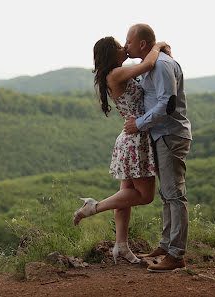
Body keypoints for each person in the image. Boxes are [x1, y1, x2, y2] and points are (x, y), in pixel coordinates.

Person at [73, 36, 170, 264]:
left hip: (132, 137)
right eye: (119, 46)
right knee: (145, 196)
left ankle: (121, 247)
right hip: (136, 140)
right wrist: (157, 45)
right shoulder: (116, 74)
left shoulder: (118, 72)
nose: (124, 48)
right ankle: (94, 207)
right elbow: (147, 65)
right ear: (110, 53)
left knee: (125, 197)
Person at [123, 24, 192, 272]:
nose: (125, 46)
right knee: (167, 193)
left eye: (128, 41)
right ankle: (166, 245)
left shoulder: (162, 65)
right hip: (162, 135)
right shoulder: (153, 64)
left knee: (174, 194)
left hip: (170, 135)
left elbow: (168, 104)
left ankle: (176, 254)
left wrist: (138, 124)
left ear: (142, 44)